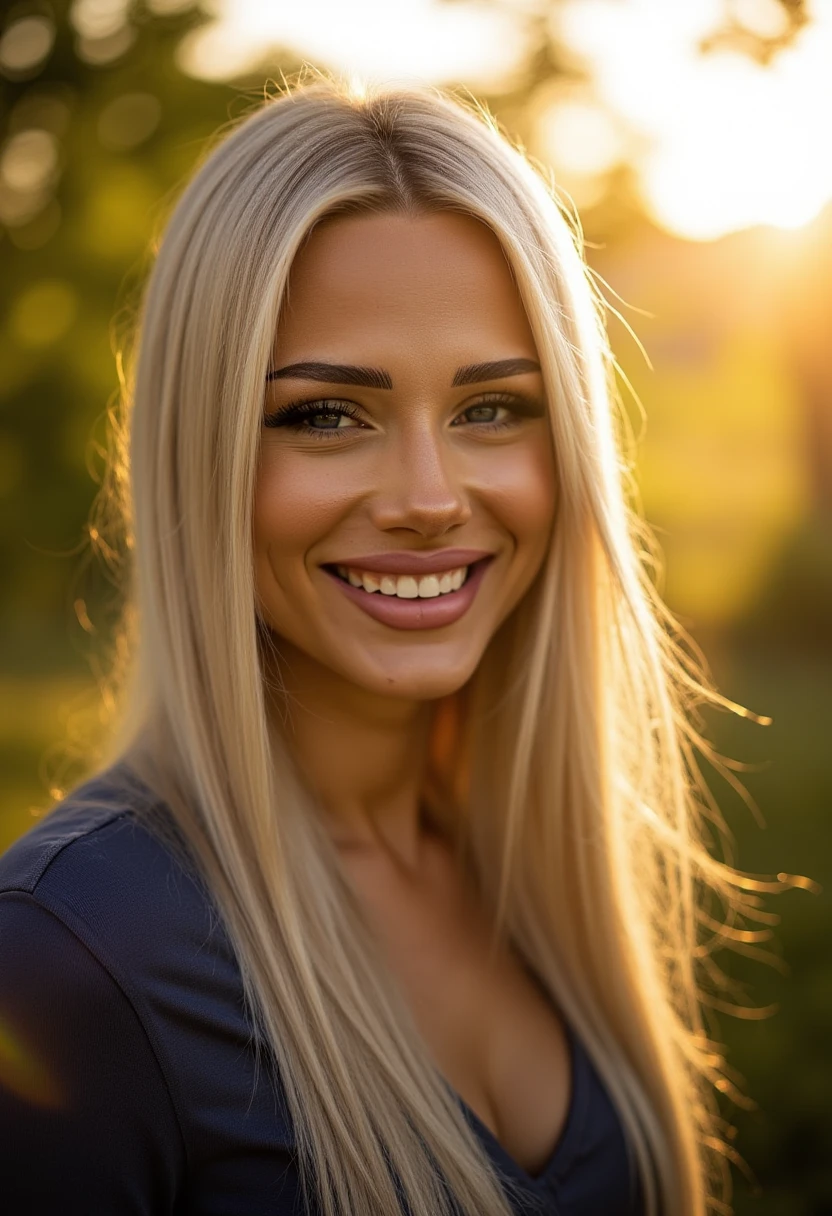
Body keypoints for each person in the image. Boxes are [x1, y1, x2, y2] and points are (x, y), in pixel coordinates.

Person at [0, 75, 770, 1216]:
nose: (426, 497)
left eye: (491, 408)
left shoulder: (531, 865)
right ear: (199, 452)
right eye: (326, 415)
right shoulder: (67, 956)